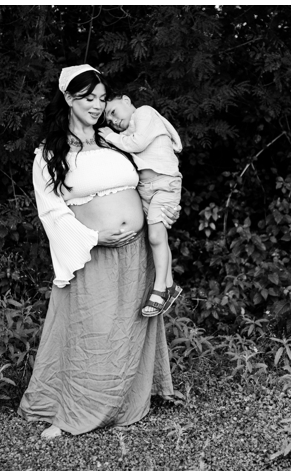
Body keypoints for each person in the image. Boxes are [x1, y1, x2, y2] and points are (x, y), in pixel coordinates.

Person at [19, 64, 176, 439]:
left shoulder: (112, 140)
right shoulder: (49, 154)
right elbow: (50, 209)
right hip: (93, 253)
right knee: (93, 333)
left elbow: (156, 164)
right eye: (89, 98)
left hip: (135, 252)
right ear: (69, 99)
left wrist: (163, 205)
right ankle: (78, 408)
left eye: (102, 98)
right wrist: (93, 238)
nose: (97, 105)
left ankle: (124, 401)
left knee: (128, 329)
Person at [100, 94, 183, 317]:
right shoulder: (124, 133)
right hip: (146, 188)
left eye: (113, 112)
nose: (113, 121)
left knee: (156, 236)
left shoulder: (144, 112)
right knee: (158, 237)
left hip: (165, 183)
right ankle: (170, 285)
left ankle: (159, 290)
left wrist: (110, 136)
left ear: (126, 100)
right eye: (108, 120)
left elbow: (139, 143)